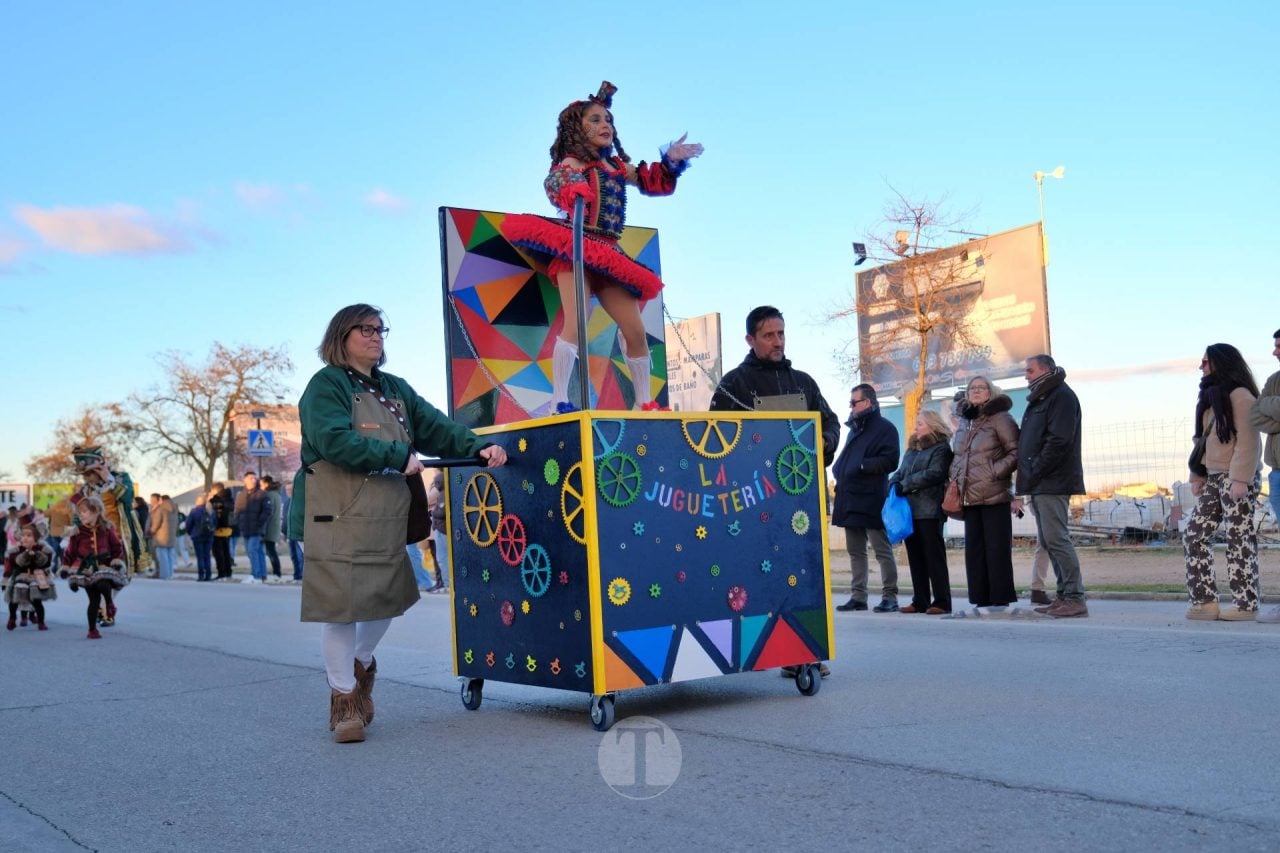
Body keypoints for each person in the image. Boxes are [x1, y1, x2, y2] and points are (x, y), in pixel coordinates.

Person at [292, 303, 508, 743]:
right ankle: (345, 703)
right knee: (341, 610)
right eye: (365, 329)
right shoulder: (325, 385)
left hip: (383, 515)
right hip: (332, 515)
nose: (375, 336)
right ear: (341, 335)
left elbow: (438, 428)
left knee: (386, 599)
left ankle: (360, 664)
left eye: (380, 329)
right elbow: (333, 441)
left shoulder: (395, 389)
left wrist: (477, 447)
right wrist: (395, 454)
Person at [500, 81, 703, 412]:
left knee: (635, 331)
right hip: (577, 248)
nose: (605, 125)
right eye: (595, 119)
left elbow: (652, 180)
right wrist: (571, 190)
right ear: (576, 128)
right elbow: (554, 182)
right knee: (578, 322)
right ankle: (559, 400)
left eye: (608, 119)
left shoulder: (617, 167)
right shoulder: (571, 163)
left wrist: (670, 161)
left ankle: (644, 402)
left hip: (609, 254)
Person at [1184, 343, 1262, 621]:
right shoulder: (1209, 398)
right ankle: (1204, 602)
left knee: (1238, 538)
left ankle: (1245, 605)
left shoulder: (1240, 396)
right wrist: (1197, 476)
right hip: (1213, 477)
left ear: (1221, 363)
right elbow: (1202, 440)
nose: (1201, 366)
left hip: (1236, 477)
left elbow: (1249, 441)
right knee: (1194, 534)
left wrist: (1240, 479)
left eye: (1205, 362)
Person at [710, 306, 840, 466]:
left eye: (781, 334)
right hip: (754, 478)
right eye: (768, 336)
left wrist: (825, 441)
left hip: (804, 477)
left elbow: (830, 422)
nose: (778, 343)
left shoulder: (805, 382)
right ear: (750, 340)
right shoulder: (733, 383)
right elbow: (716, 438)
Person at [1016, 355, 1088, 619]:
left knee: (1057, 539)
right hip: (1041, 481)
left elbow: (1059, 440)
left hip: (1052, 480)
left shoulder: (1061, 397)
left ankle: (1075, 597)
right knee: (1049, 540)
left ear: (1045, 369)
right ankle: (1063, 596)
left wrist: (1035, 469)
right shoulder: (1043, 397)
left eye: (1030, 370)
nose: (1026, 375)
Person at [947, 375, 1020, 616]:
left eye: (981, 387)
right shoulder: (965, 422)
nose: (976, 391)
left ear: (991, 391)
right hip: (969, 494)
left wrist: (993, 472)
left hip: (994, 492)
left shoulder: (1001, 418)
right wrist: (954, 477)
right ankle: (980, 598)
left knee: (996, 548)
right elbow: (958, 455)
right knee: (975, 549)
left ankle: (1000, 598)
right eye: (972, 388)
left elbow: (1015, 451)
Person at [832, 384, 901, 614]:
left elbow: (891, 460)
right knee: (855, 551)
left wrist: (862, 466)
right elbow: (846, 458)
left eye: (854, 402)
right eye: (850, 403)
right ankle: (858, 597)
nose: (851, 407)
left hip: (871, 498)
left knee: (882, 550)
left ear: (868, 402)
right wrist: (841, 471)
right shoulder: (854, 429)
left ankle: (890, 596)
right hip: (850, 498)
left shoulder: (885, 429)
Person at [889, 410, 954, 614]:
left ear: (932, 425)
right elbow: (901, 471)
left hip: (929, 509)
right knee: (915, 557)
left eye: (920, 423)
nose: (916, 427)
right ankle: (920, 600)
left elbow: (935, 473)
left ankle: (942, 601)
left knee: (934, 557)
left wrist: (906, 484)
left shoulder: (941, 448)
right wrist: (893, 483)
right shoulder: (912, 449)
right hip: (909, 510)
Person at [70, 446, 149, 582]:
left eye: (89, 474)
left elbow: (128, 498)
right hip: (96, 540)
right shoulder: (86, 490)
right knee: (96, 581)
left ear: (99, 470)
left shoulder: (121, 478)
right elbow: (79, 514)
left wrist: (109, 480)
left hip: (119, 538)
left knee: (115, 579)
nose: (86, 478)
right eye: (84, 475)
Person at [60, 496, 129, 639]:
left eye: (84, 512)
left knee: (103, 582)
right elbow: (70, 552)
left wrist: (117, 560)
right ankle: (92, 630)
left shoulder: (107, 529)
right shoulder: (77, 532)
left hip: (104, 565)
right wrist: (65, 567)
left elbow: (117, 547)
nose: (81, 515)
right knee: (93, 600)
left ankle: (109, 603)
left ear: (96, 511)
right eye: (79, 512)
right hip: (86, 569)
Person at [1251, 329, 1280, 623]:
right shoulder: (1273, 380)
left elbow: (1265, 409)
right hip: (1278, 474)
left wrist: (1272, 406)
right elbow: (1256, 416)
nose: (1275, 352)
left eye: (1279, 346)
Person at [5, 522, 57, 630]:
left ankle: (41, 622)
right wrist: (26, 555)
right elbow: (16, 562)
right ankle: (12, 619)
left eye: (29, 536)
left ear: (36, 538)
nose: (25, 538)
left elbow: (45, 563)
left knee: (36, 600)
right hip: (21, 576)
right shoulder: (16, 550)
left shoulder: (43, 549)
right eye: (23, 535)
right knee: (15, 599)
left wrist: (36, 554)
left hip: (37, 576)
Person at [234, 472, 271, 584]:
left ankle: (256, 575)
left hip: (257, 529)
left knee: (253, 550)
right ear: (245, 480)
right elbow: (237, 511)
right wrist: (239, 524)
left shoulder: (262, 494)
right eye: (250, 478)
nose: (253, 480)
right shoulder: (241, 495)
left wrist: (259, 524)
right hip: (245, 528)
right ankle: (262, 575)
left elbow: (267, 511)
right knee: (256, 551)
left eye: (255, 478)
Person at [186, 495, 215, 582]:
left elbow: (189, 524)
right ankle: (208, 575)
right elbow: (214, 523)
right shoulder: (210, 511)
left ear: (198, 502)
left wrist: (190, 533)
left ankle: (201, 575)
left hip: (197, 536)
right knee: (207, 556)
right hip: (209, 536)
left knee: (200, 557)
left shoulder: (194, 511)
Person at [207, 482, 234, 580]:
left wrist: (209, 500)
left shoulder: (217, 500)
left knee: (218, 553)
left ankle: (221, 573)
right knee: (226, 551)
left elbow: (210, 513)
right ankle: (228, 573)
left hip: (218, 529)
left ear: (216, 490)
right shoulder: (229, 498)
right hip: (228, 529)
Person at [260, 475, 285, 582]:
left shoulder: (269, 494)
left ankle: (277, 573)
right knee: (271, 550)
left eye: (261, 484)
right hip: (274, 526)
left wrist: (263, 528)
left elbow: (269, 513)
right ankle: (277, 572)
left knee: (271, 551)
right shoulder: (276, 494)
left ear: (266, 483)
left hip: (270, 527)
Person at [148, 492, 177, 580]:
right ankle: (170, 574)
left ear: (161, 500)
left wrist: (151, 531)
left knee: (162, 557)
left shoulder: (161, 509)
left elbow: (156, 523)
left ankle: (164, 575)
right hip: (171, 536)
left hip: (161, 537)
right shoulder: (174, 509)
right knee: (170, 557)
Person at [428, 471, 448, 593]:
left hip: (441, 529)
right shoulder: (442, 494)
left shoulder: (443, 494)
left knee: (442, 557)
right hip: (438, 527)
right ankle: (442, 582)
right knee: (439, 557)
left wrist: (433, 513)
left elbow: (441, 511)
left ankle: (446, 583)